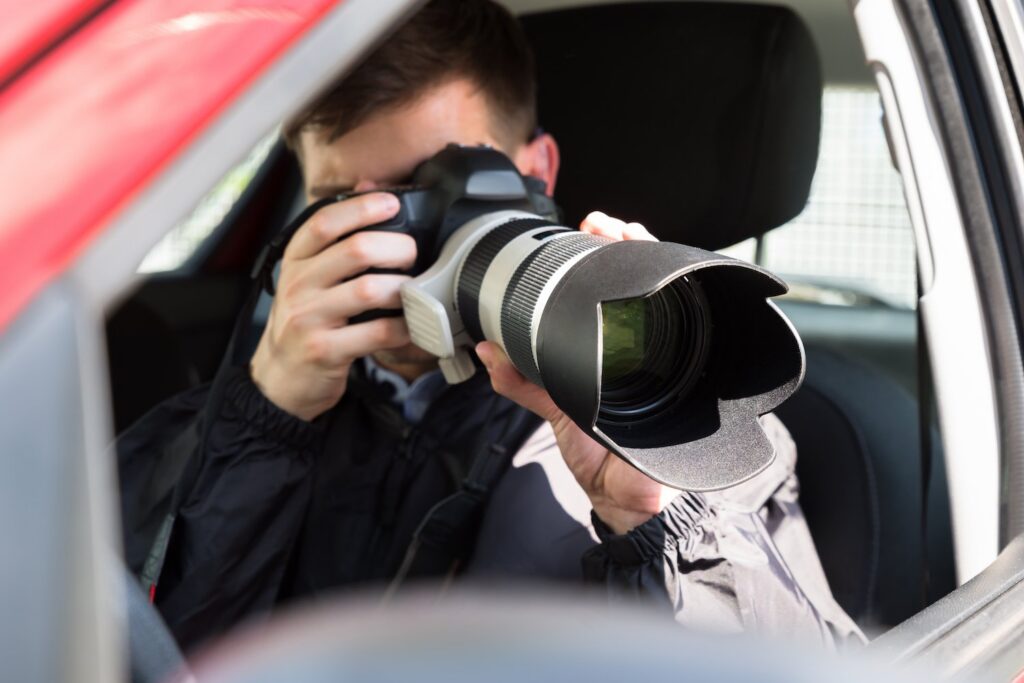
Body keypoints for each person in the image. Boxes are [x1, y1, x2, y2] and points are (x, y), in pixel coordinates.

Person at [116, 0, 862, 652]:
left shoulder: (684, 414)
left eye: (428, 187)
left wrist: (652, 515)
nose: (387, 244)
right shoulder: (224, 424)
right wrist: (265, 420)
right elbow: (133, 652)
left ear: (537, 170)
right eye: (342, 203)